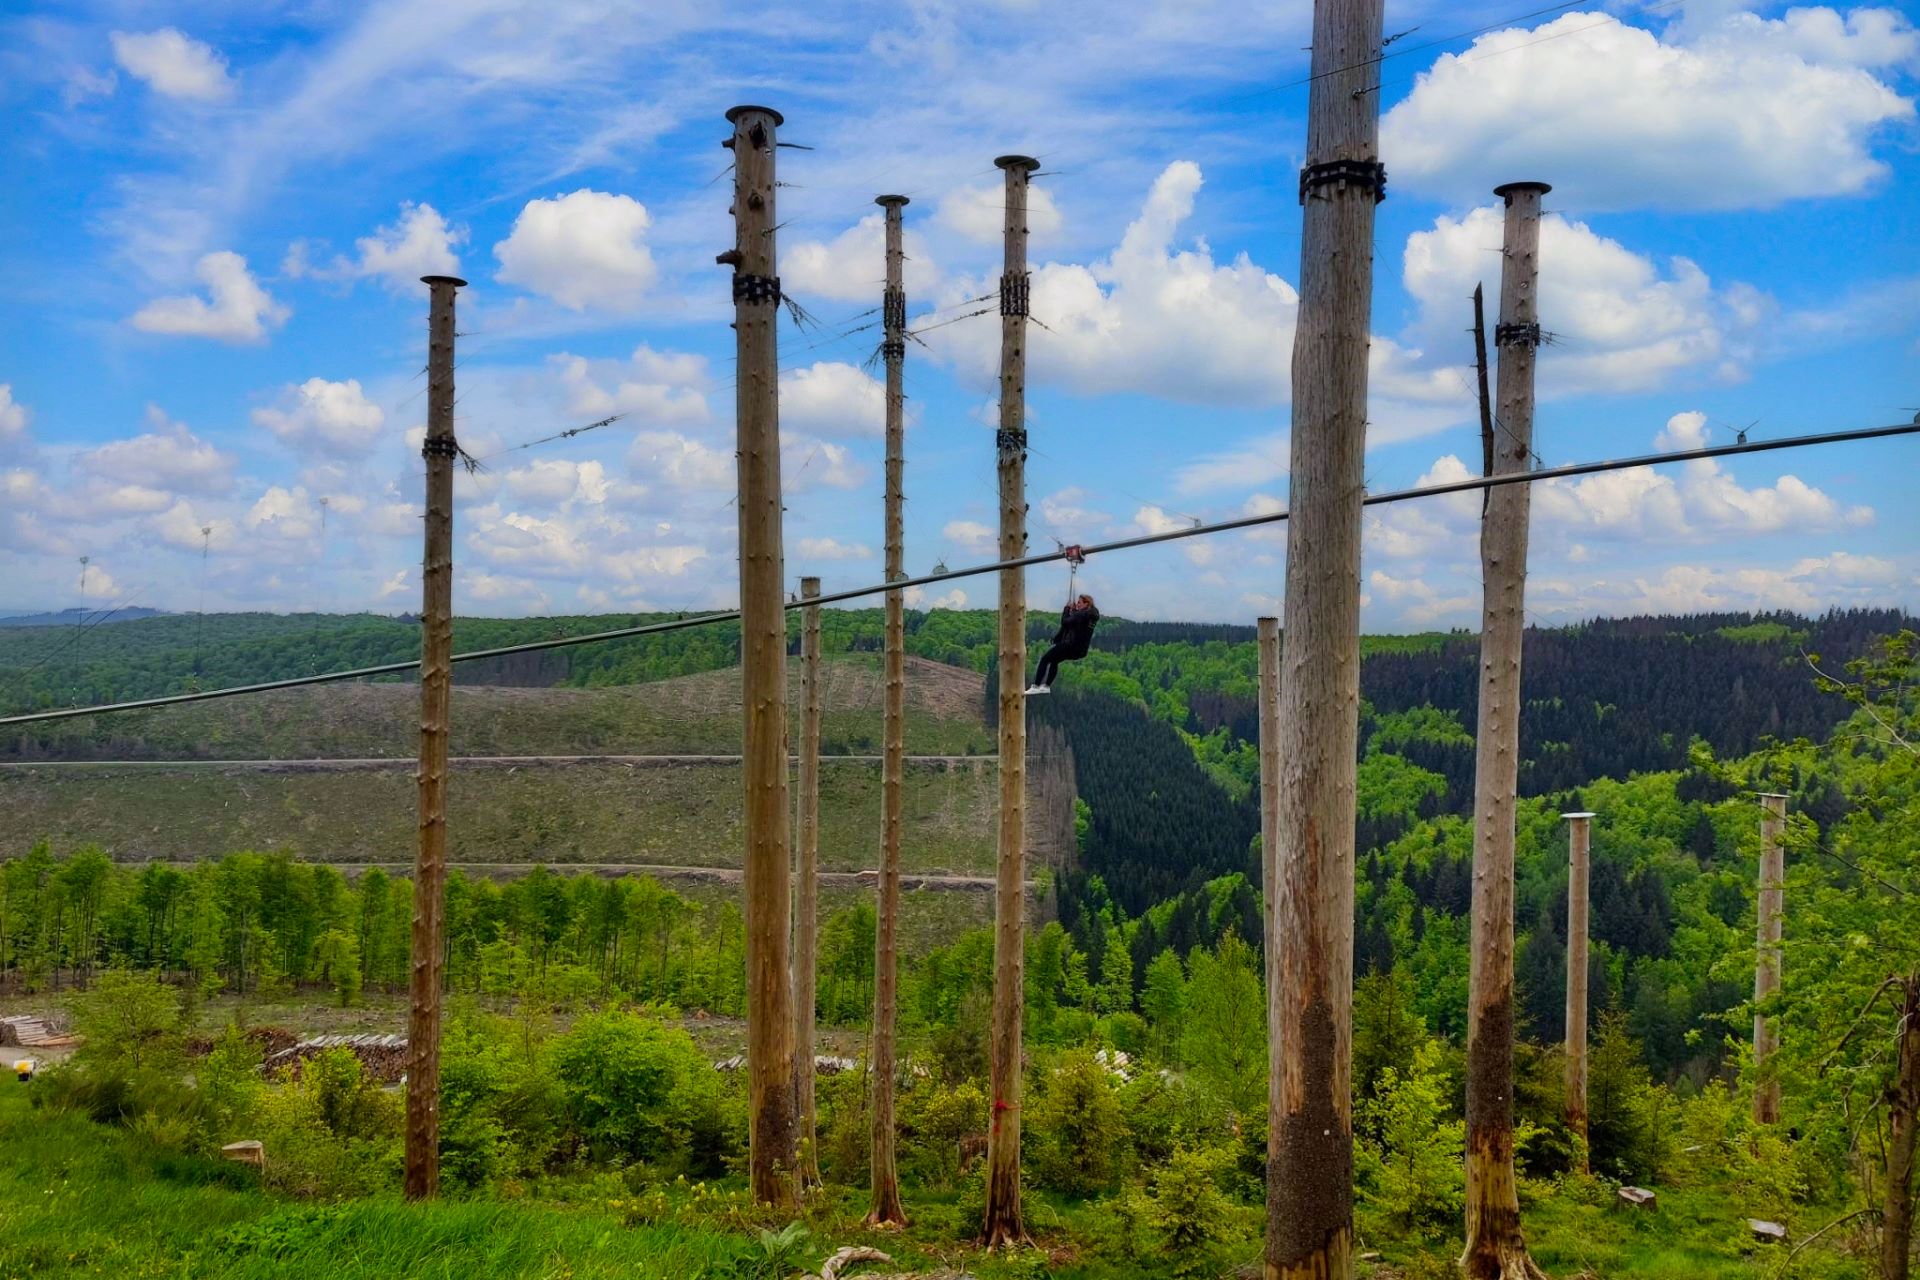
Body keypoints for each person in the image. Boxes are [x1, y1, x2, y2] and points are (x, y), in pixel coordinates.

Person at [1026, 594, 1100, 694]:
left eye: (1079, 603)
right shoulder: (1090, 617)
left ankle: (1036, 685)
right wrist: (1074, 612)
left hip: (1070, 646)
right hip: (1080, 651)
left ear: (1087, 604)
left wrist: (1067, 609)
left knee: (1045, 659)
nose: (1077, 604)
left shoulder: (1081, 615)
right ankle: (1046, 686)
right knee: (1054, 660)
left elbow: (1065, 622)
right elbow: (1072, 625)